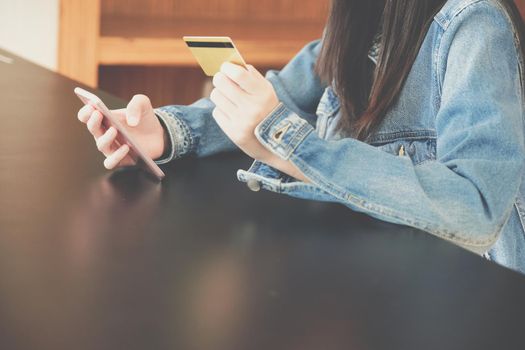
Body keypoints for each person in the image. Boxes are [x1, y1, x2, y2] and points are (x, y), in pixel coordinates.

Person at [77, 0, 525, 274]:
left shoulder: (474, 23)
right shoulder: (360, 19)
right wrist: (164, 131)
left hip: (466, 302)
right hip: (367, 281)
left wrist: (288, 145)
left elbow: (476, 208)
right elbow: (285, 96)